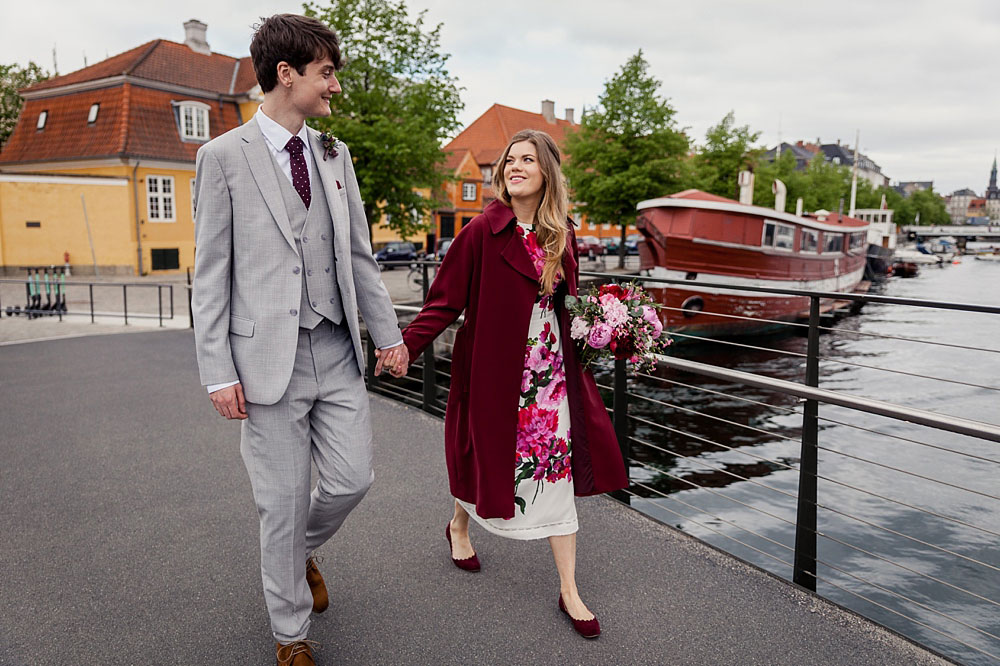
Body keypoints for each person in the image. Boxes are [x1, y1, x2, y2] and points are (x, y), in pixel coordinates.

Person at [191, 14, 407, 666]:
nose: (334, 87)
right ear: (287, 74)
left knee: (350, 481)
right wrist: (216, 370)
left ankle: (296, 549)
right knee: (280, 503)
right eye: (326, 73)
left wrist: (389, 334)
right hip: (263, 363)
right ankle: (291, 638)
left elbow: (359, 256)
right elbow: (210, 276)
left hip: (336, 348)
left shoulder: (334, 156)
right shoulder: (222, 157)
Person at [400, 129, 628, 639]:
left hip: (551, 377)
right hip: (496, 373)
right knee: (487, 454)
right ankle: (459, 525)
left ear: (546, 171)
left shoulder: (561, 234)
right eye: (510, 160)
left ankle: (569, 590)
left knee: (556, 472)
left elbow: (568, 307)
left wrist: (607, 328)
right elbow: (443, 302)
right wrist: (406, 348)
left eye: (527, 159)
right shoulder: (483, 230)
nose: (515, 166)